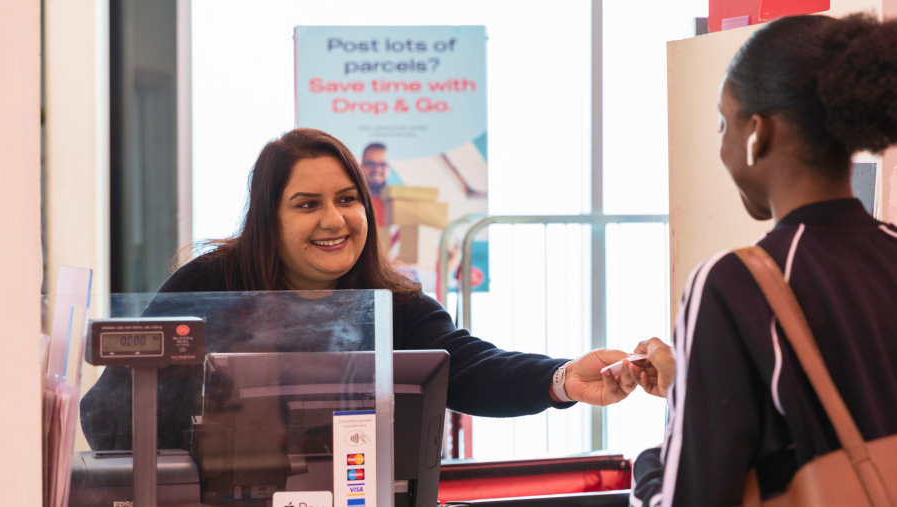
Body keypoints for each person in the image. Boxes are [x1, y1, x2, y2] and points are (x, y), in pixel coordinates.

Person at [80, 128, 640, 451]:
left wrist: (562, 379)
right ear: (268, 219)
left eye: (347, 199)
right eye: (307, 204)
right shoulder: (208, 285)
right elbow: (107, 412)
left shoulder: (395, 302)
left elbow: (468, 367)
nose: (335, 220)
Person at [626, 14, 897, 506]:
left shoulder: (732, 284)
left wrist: (649, 468)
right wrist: (688, 389)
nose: (723, 146)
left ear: (758, 134)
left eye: (723, 124)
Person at [360, 142, 400, 227]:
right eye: (371, 164)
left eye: (382, 164)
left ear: (389, 168)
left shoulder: (399, 203)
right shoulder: (353, 201)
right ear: (361, 167)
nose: (377, 169)